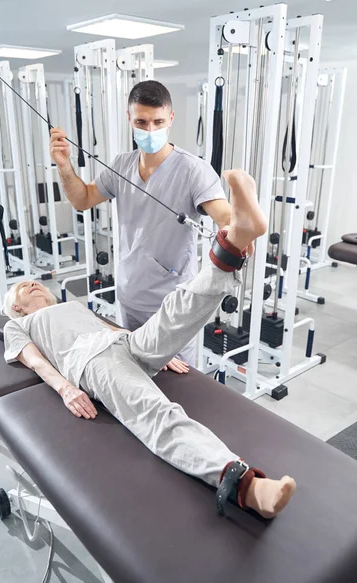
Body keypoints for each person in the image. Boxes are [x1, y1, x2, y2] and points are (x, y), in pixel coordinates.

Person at [2, 169, 296, 519]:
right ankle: (248, 487)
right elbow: (35, 362)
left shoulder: (68, 305)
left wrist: (160, 349)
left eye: (36, 282)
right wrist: (65, 388)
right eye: (24, 288)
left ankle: (233, 244)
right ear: (16, 306)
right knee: (156, 412)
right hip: (91, 363)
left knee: (177, 310)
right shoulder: (20, 324)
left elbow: (106, 326)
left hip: (123, 343)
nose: (33, 284)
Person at [50, 80, 233, 373]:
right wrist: (63, 166)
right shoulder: (120, 165)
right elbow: (82, 199)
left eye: (158, 122)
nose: (150, 131)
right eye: (142, 122)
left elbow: (224, 216)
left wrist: (236, 229)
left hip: (172, 307)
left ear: (171, 119)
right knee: (132, 377)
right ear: (129, 119)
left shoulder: (193, 170)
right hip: (129, 295)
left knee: (177, 387)